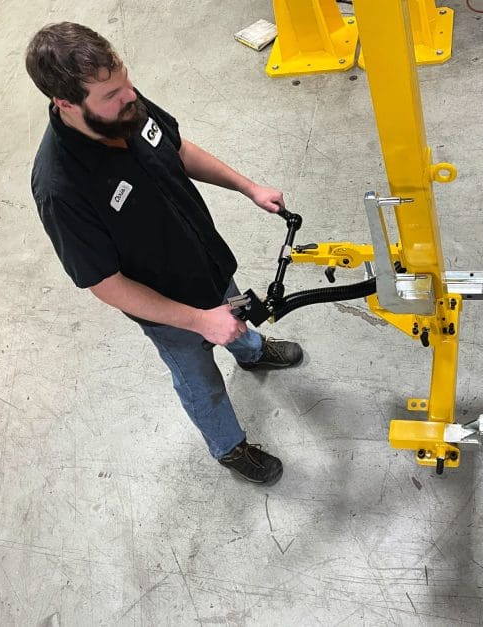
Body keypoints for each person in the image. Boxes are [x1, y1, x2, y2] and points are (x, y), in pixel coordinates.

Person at [25, 22, 301, 485]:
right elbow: (104, 284)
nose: (130, 95)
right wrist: (199, 321)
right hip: (171, 311)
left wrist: (247, 187)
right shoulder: (60, 187)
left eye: (126, 80)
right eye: (111, 93)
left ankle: (251, 352)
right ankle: (229, 448)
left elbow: (175, 147)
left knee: (234, 318)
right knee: (200, 380)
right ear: (66, 104)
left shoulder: (124, 105)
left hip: (207, 261)